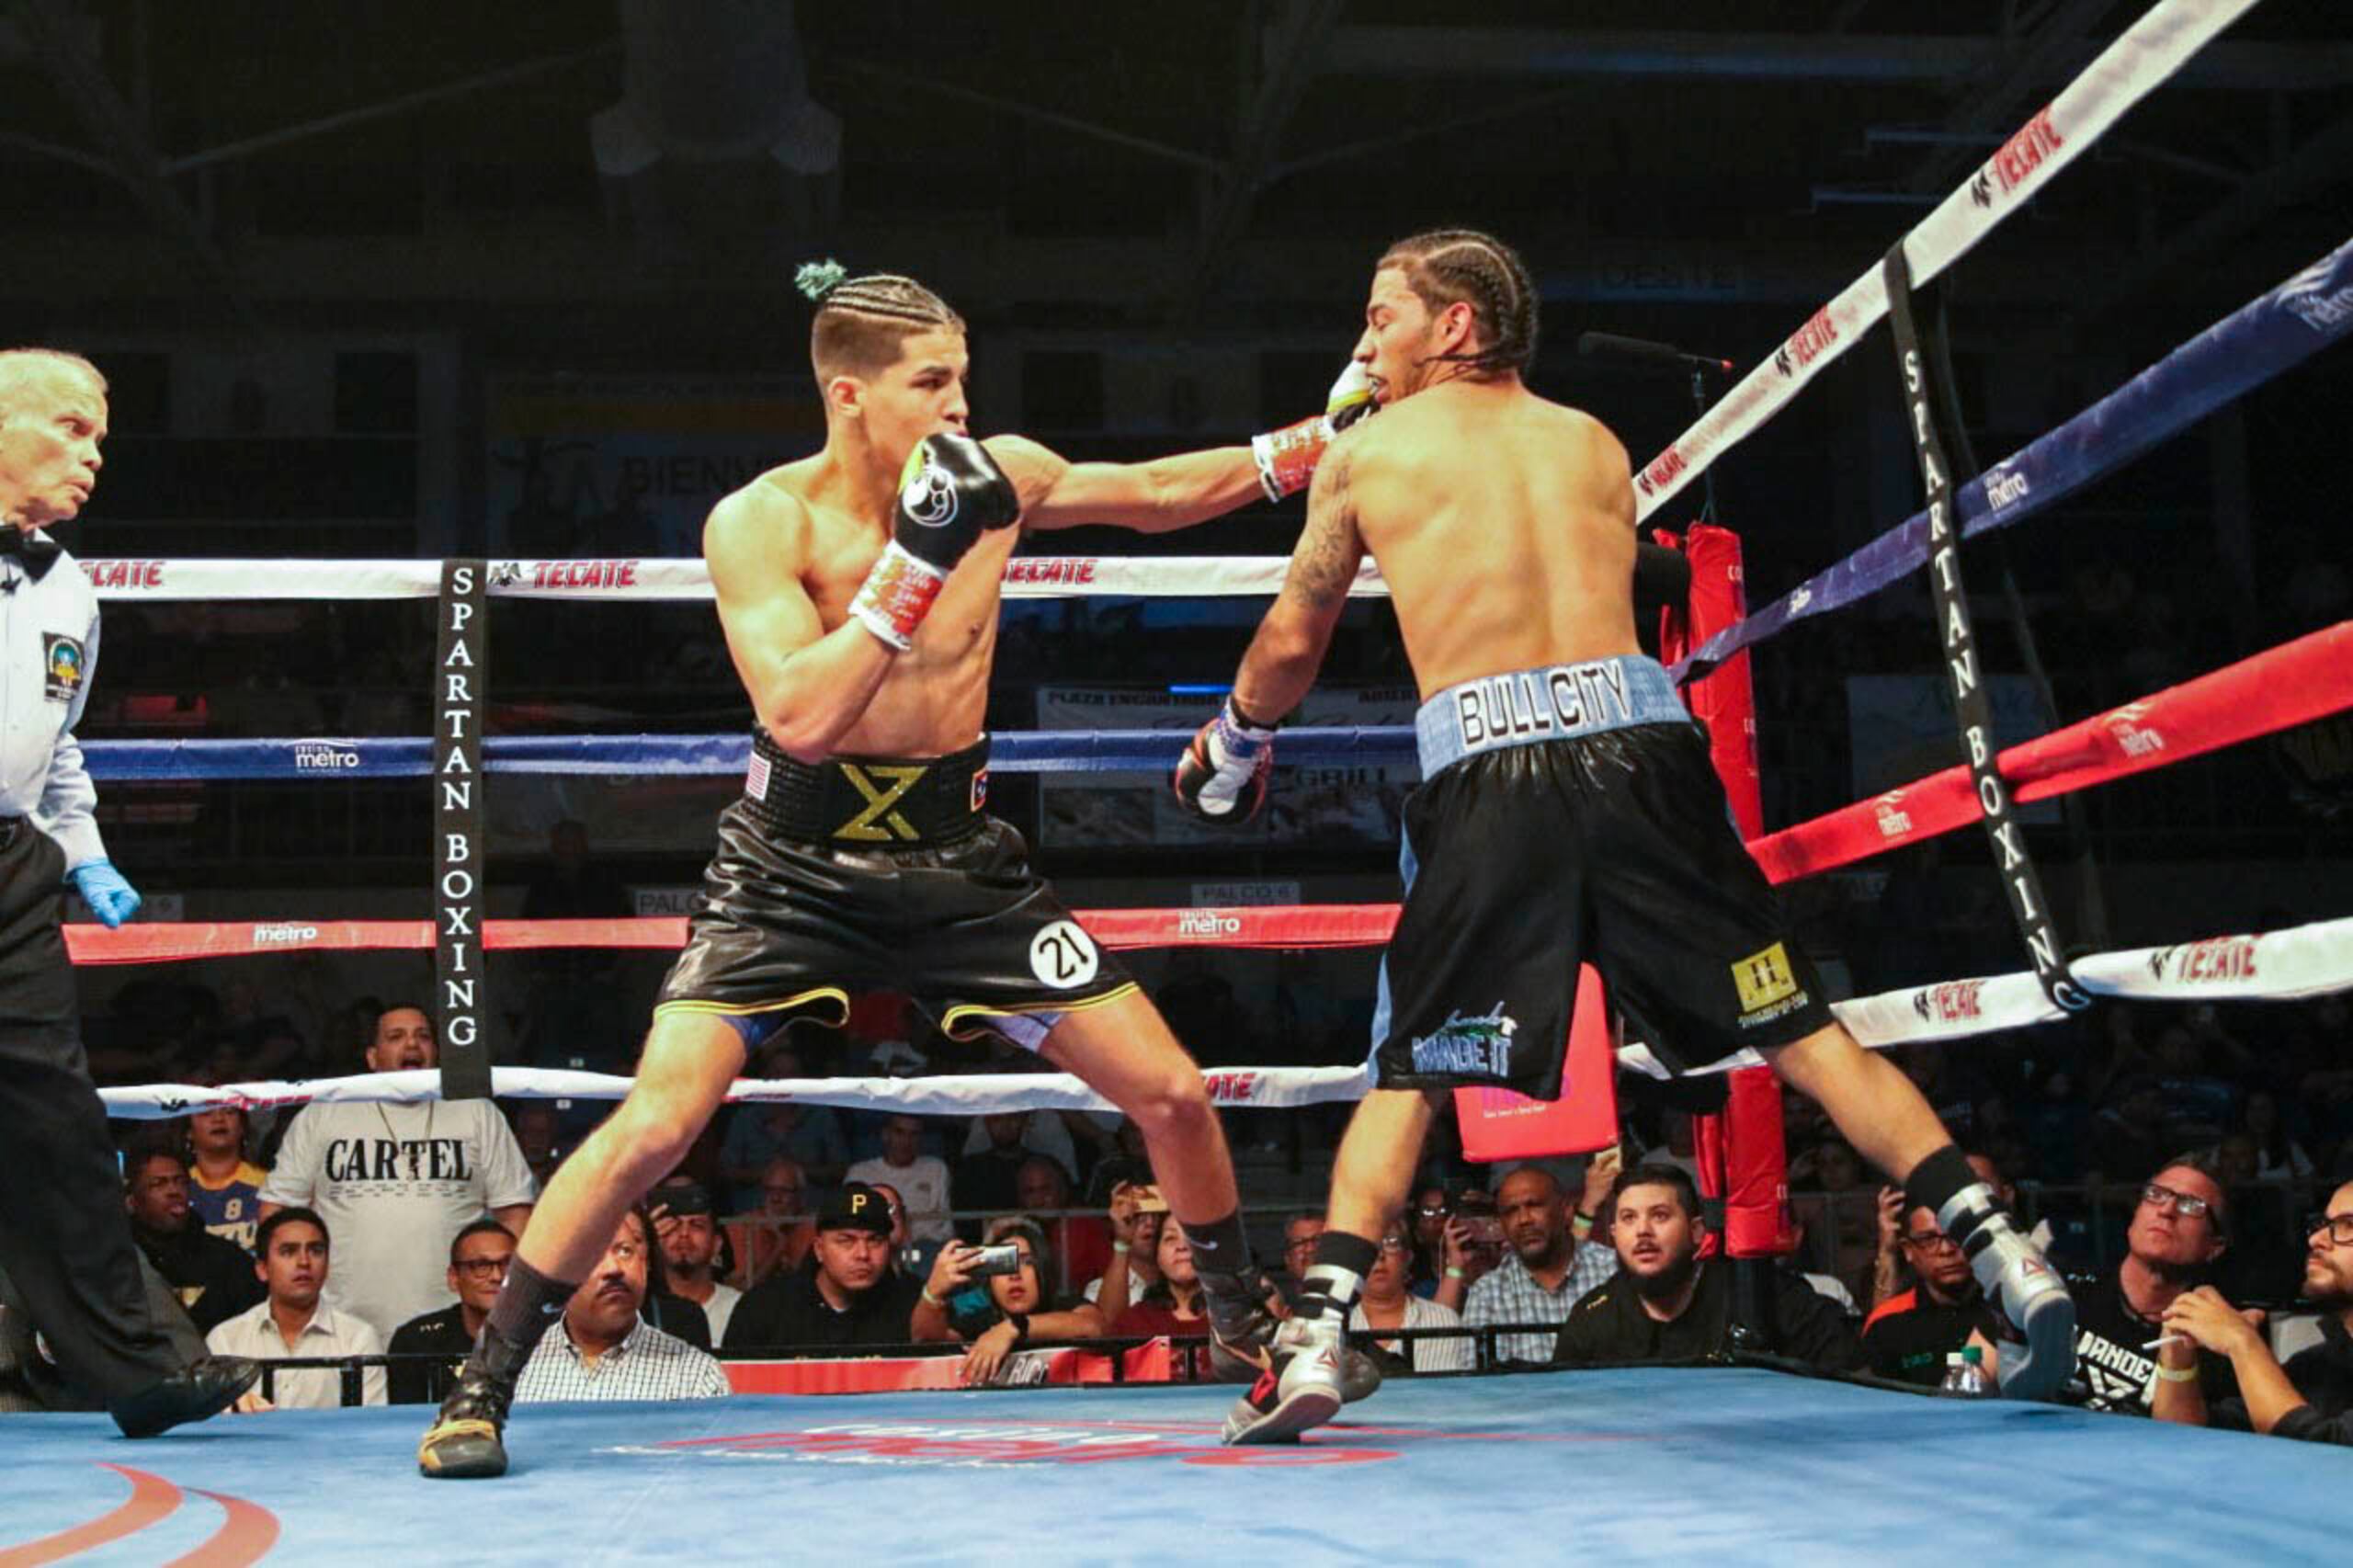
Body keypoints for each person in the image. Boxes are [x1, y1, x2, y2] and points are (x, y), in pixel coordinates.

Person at [420, 260, 1359, 1476]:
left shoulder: (1001, 476)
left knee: (1174, 1095)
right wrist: (915, 561)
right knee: (656, 1122)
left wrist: (1318, 437)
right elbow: (802, 715)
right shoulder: (762, 521)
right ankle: (483, 1387)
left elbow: (1163, 492)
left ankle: (1246, 1329)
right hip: (792, 865)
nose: (960, 407)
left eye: (964, 380)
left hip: (962, 861)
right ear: (852, 395)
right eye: (932, 384)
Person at [1176, 230, 2068, 1442]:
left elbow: (1291, 640)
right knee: (1799, 1025)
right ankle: (2008, 1253)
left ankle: (1322, 1324)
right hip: (1646, 759)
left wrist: (1230, 738)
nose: (1361, 341)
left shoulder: (1371, 451)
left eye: (1381, 316)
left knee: (1415, 1069)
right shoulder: (1595, 442)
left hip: (1494, 774)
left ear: (1455, 326)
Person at [0, 347, 258, 1437]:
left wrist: (86, 848)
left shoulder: (67, 583)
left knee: (56, 1123)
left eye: (100, 435)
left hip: (13, 865)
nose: (92, 454)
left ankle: (142, 1367)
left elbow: (57, 744)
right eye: (68, 428)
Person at [259, 1005, 539, 1338]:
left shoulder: (477, 1113)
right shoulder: (326, 1112)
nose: (411, 1045)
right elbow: (277, 1212)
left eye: (422, 1036)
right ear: (372, 1057)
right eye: (396, 1037)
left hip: (455, 1325)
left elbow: (515, 1216)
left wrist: (508, 1302)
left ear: (435, 1052)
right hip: (341, 1325)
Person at [1553, 1166, 1861, 1371]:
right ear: (1613, 1234)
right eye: (1628, 1218)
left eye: (1660, 1216)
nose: (1642, 1231)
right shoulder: (1593, 1317)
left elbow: (1848, 1369)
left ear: (1697, 1231)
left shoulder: (1761, 1295)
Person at [2154, 1179, 2353, 1444]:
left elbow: (2327, 1451)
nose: (2317, 1239)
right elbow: (2193, 1441)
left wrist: (2242, 1341)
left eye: (2348, 1225)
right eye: (2323, 1225)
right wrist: (2178, 1358)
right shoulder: (2318, 1365)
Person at [2065, 1152, 2241, 1415]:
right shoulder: (2065, 1293)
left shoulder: (2219, 1345)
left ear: (2214, 1247)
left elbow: (2193, 1446)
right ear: (2134, 1218)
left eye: (2191, 1206)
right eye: (2156, 1194)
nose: (2167, 1210)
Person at [514, 1207, 730, 1404]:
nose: (614, 1268)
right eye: (593, 1254)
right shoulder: (508, 1370)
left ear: (645, 1264)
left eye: (625, 1251)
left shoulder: (695, 1376)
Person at [206, 1207, 388, 1411]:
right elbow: (214, 1426)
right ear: (263, 1269)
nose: (304, 1262)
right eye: (288, 1251)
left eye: (316, 1251)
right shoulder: (226, 1339)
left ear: (327, 1266)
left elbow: (371, 1427)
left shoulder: (358, 1338)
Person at [719, 1182, 924, 1354]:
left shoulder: (913, 1303)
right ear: (819, 1248)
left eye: (875, 1240)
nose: (863, 1254)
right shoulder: (764, 1306)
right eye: (846, 1241)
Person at [913, 1216, 1105, 1386]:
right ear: (990, 1280)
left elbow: (1094, 1325)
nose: (1015, 1275)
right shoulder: (978, 1321)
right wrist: (933, 1292)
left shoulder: (1062, 1305)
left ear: (1043, 1270)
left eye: (1027, 1262)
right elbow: (926, 1338)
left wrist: (1013, 1328)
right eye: (1004, 1264)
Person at [1461, 1167, 1617, 1365]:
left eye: (1534, 1205)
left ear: (1566, 1211)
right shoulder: (1488, 1294)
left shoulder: (1613, 1271)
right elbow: (1478, 1386)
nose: (1524, 1219)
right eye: (1511, 1211)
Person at [1859, 1203, 2004, 1387]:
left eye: (1955, 1236)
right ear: (1908, 1250)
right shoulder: (1886, 1322)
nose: (1946, 1250)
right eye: (1929, 1239)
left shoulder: (2007, 1310)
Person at [124, 1146, 265, 1335]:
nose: (173, 1191)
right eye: (158, 1184)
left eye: (180, 1181)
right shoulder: (118, 1264)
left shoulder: (230, 1262)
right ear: (132, 1201)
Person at [387, 1220, 516, 1405]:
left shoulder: (547, 1337)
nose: (496, 1276)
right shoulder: (416, 1342)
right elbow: (405, 1423)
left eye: (507, 1265)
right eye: (480, 1265)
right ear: (454, 1278)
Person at [1352, 1220, 1472, 1373]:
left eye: (1391, 1242)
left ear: (1408, 1257)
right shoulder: (1337, 1326)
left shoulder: (1444, 1320)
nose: (1380, 1255)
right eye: (1370, 1246)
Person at [648, 1179, 743, 1346]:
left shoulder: (739, 1308)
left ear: (717, 1244)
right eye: (673, 1225)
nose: (684, 1233)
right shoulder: (642, 1311)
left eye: (696, 1225)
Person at [846, 1113, 953, 1244]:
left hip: (925, 1249)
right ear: (885, 1134)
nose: (906, 1141)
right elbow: (849, 1224)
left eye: (914, 1134)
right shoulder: (860, 1173)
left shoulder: (936, 1169)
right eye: (899, 1132)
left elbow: (946, 1225)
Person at [187, 1104, 269, 1251]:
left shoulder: (269, 1186)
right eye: (206, 1113)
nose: (218, 1119)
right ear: (188, 1131)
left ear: (243, 1126)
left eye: (229, 1112)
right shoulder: (178, 1188)